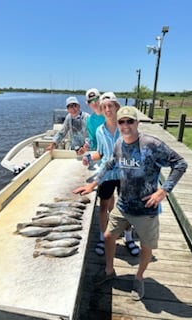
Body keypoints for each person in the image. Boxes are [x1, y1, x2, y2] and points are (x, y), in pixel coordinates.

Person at [92, 106, 188, 300]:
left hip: (146, 209)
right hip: (123, 205)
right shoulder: (119, 143)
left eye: (130, 121)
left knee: (146, 245)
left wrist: (163, 190)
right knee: (109, 236)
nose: (126, 125)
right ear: (118, 125)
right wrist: (94, 182)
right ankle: (109, 271)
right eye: (122, 122)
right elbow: (111, 162)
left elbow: (180, 164)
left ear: (137, 123)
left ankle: (139, 277)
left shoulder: (151, 144)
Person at [73, 93, 139, 257]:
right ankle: (103, 238)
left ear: (117, 107)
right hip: (107, 175)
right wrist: (88, 157)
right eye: (104, 107)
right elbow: (101, 154)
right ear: (101, 110)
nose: (108, 109)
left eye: (111, 106)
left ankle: (128, 238)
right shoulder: (100, 131)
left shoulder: (126, 127)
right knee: (103, 208)